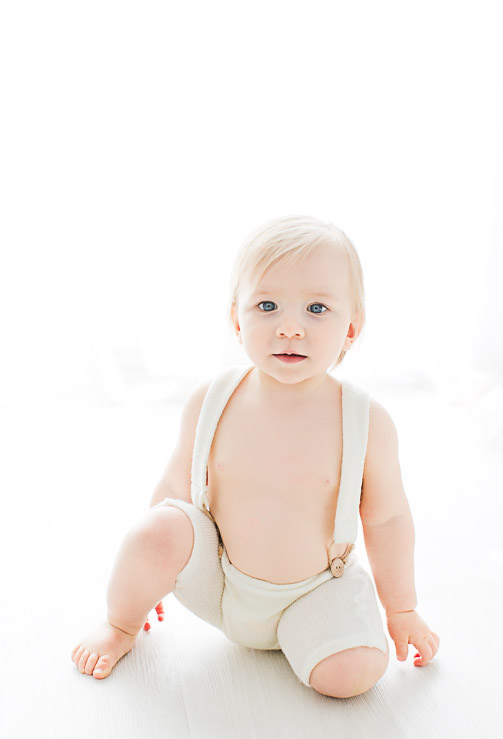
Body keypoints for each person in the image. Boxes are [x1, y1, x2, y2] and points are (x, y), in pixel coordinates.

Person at [72, 215, 439, 698]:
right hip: (221, 583)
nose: (289, 328)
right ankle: (120, 626)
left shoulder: (367, 422)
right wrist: (152, 573)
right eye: (267, 305)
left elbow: (388, 519)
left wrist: (402, 608)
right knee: (157, 528)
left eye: (316, 308)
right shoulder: (213, 399)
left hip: (312, 590)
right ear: (236, 319)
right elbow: (174, 493)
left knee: (352, 677)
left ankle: (324, 629)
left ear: (352, 327)